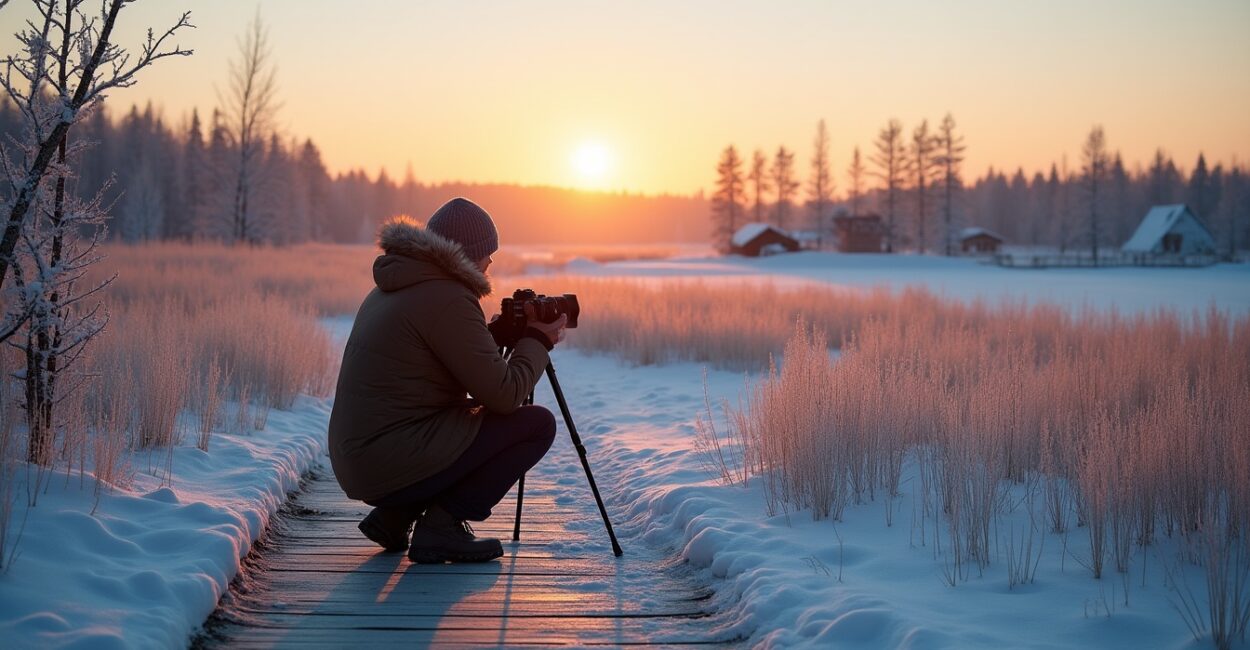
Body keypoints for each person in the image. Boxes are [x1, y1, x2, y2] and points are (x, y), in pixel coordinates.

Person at [327, 197, 567, 563]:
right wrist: (537, 340)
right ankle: (441, 527)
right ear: (469, 255)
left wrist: (493, 336)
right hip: (387, 460)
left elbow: (431, 365)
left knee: (467, 421)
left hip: (362, 457)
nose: (490, 263)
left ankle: (395, 516)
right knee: (536, 425)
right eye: (488, 253)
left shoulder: (395, 286)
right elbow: (504, 396)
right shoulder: (448, 298)